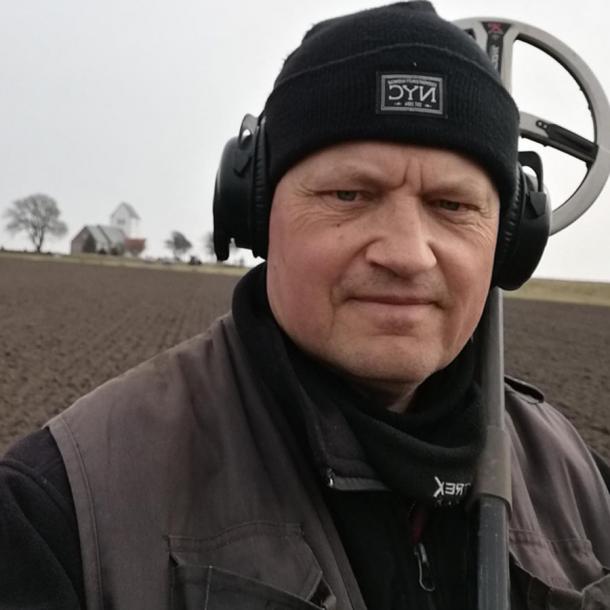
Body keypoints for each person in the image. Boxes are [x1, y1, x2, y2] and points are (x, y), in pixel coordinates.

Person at [1, 3, 609, 609]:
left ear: (510, 241)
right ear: (256, 212)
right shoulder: (62, 513)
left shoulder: (582, 484)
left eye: (452, 206)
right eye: (349, 194)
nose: (406, 254)